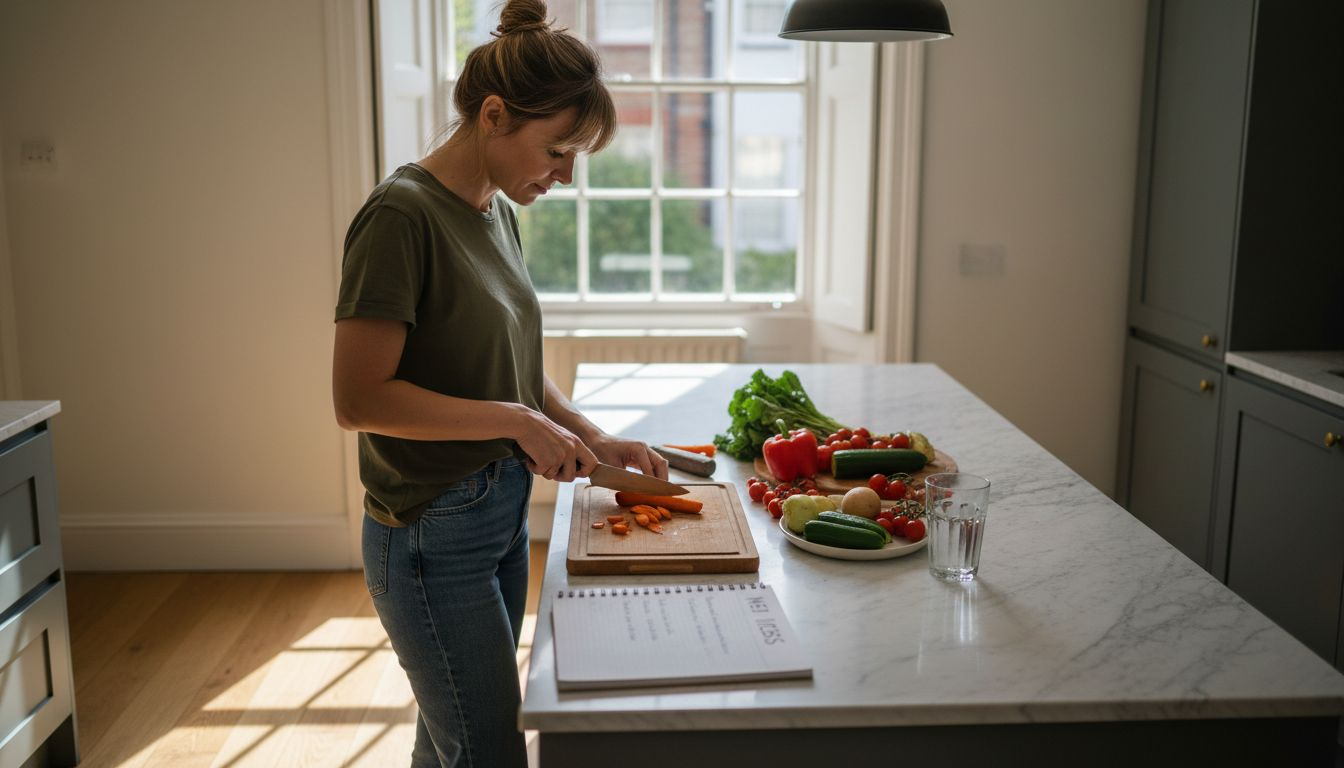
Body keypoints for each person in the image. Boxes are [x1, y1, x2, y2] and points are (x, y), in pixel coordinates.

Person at [331, 1, 668, 764]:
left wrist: (591, 434)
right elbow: (357, 399)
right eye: (556, 151)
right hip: (425, 532)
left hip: (498, 514)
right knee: (487, 749)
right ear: (492, 116)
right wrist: (517, 422)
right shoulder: (400, 216)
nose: (565, 175)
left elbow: (512, 363)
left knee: (447, 737)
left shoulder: (493, 211)